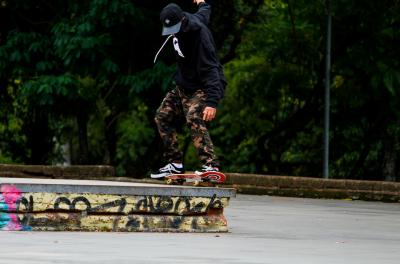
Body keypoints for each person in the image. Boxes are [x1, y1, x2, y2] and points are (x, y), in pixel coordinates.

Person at [151, 0, 227, 178]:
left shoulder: (200, 37)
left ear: (183, 20)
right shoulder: (188, 18)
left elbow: (211, 70)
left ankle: (211, 166)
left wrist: (211, 102)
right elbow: (205, 12)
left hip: (203, 87)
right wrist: (204, 3)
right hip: (184, 85)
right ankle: (175, 163)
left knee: (193, 117)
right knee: (162, 116)